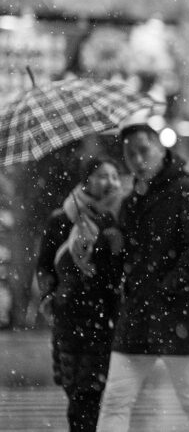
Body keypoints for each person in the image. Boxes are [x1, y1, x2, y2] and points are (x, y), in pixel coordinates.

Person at [96, 123, 189, 432]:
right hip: (139, 313)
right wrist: (111, 238)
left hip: (177, 312)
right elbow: (125, 257)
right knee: (115, 399)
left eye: (143, 150)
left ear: (160, 148)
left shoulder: (187, 190)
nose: (138, 160)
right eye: (130, 155)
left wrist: (166, 288)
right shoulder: (131, 201)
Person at [36, 157, 124, 432]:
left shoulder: (119, 220)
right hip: (69, 316)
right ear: (87, 180)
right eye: (102, 176)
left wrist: (117, 248)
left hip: (104, 317)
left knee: (91, 393)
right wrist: (49, 296)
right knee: (75, 389)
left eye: (114, 176)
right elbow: (45, 265)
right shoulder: (61, 219)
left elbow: (120, 272)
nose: (110, 182)